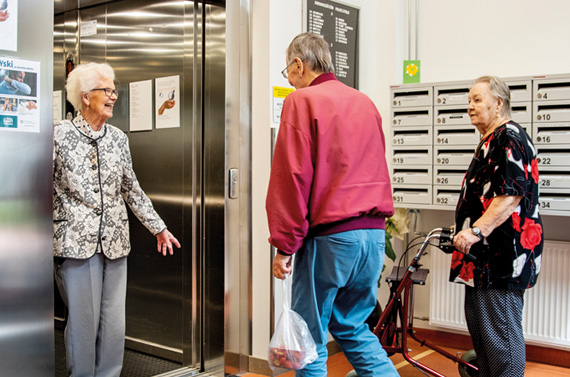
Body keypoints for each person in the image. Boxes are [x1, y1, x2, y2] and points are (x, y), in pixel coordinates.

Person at [266, 32, 398, 377]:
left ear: (298, 64)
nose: (290, 81)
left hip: (332, 239)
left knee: (309, 338)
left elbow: (291, 178)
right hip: (373, 237)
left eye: (287, 73)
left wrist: (284, 246)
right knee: (353, 327)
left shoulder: (302, 101)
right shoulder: (365, 102)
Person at [53, 62, 181, 377]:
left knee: (113, 321)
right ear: (85, 97)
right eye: (106, 90)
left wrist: (158, 228)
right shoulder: (58, 135)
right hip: (75, 242)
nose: (113, 96)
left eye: (114, 90)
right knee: (84, 321)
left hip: (115, 241)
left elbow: (131, 189)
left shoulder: (118, 139)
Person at [450, 75, 543, 377]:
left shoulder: (508, 135)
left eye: (477, 99)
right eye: (469, 100)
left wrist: (477, 231)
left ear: (499, 103)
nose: (470, 107)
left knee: (501, 337)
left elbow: (511, 193)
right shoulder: (490, 140)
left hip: (501, 257)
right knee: (485, 337)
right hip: (483, 259)